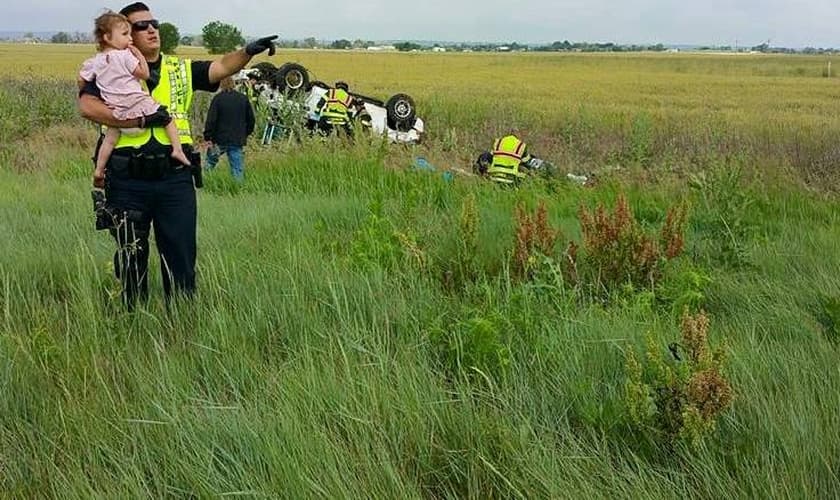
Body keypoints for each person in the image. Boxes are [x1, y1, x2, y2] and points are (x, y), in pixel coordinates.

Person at [78, 1, 277, 307]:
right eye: (141, 26)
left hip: (174, 178)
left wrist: (248, 51)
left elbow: (222, 67)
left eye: (154, 23)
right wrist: (138, 121)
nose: (151, 30)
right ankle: (132, 318)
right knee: (131, 258)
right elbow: (87, 106)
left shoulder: (180, 69)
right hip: (128, 178)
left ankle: (181, 320)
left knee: (181, 257)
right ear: (124, 34)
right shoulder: (109, 66)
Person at [81, 10, 190, 190]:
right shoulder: (125, 56)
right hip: (137, 105)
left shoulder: (95, 62)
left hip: (117, 112)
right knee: (167, 118)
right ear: (108, 37)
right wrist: (138, 55)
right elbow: (144, 74)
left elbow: (82, 79)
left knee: (109, 140)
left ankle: (99, 170)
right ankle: (177, 150)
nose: (130, 39)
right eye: (125, 34)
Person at [203, 76, 255, 182]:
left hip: (218, 139)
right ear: (233, 84)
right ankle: (237, 188)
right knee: (237, 168)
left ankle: (205, 184)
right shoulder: (243, 98)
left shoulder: (218, 99)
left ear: (221, 84)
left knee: (210, 163)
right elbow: (251, 120)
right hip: (237, 139)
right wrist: (245, 133)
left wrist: (208, 136)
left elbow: (211, 120)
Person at [474, 134, 552, 185]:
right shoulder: (520, 147)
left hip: (494, 179)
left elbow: (483, 159)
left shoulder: (497, 146)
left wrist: (482, 173)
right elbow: (528, 162)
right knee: (526, 175)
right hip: (512, 181)